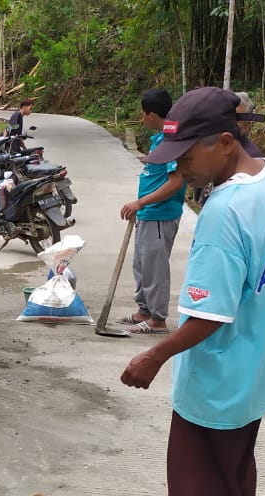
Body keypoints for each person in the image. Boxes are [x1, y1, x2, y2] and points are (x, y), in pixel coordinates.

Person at [120, 87, 265, 496]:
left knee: (198, 472)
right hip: (259, 361)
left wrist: (153, 354)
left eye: (186, 155)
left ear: (225, 141)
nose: (181, 167)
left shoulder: (224, 213)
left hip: (219, 370)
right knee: (236, 461)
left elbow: (208, 314)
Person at [117, 88, 187, 335]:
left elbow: (176, 181)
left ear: (152, 115)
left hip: (160, 213)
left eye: (143, 114)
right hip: (149, 214)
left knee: (155, 267)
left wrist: (141, 203)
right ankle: (144, 310)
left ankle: (158, 319)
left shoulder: (172, 142)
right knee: (143, 265)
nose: (142, 118)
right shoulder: (160, 138)